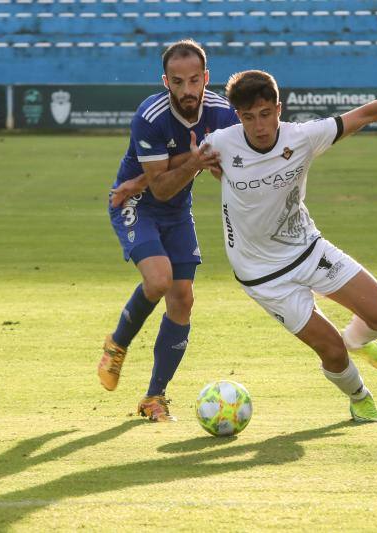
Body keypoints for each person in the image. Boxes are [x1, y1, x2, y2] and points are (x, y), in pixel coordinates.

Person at [152, 70, 377, 422]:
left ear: (278, 108)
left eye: (265, 114)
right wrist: (136, 186)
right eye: (248, 117)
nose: (259, 126)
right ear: (237, 116)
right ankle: (359, 396)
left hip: (308, 249)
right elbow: (171, 175)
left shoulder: (302, 137)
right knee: (332, 353)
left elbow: (366, 113)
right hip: (262, 276)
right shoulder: (220, 144)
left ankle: (356, 340)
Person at [98, 39, 234, 422]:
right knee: (158, 281)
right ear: (166, 81)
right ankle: (117, 344)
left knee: (183, 299)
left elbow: (234, 159)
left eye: (194, 80)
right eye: (178, 82)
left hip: (177, 212)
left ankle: (154, 398)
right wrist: (196, 161)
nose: (187, 90)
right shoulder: (150, 116)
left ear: (206, 77)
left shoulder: (223, 113)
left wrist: (220, 165)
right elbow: (160, 186)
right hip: (136, 205)